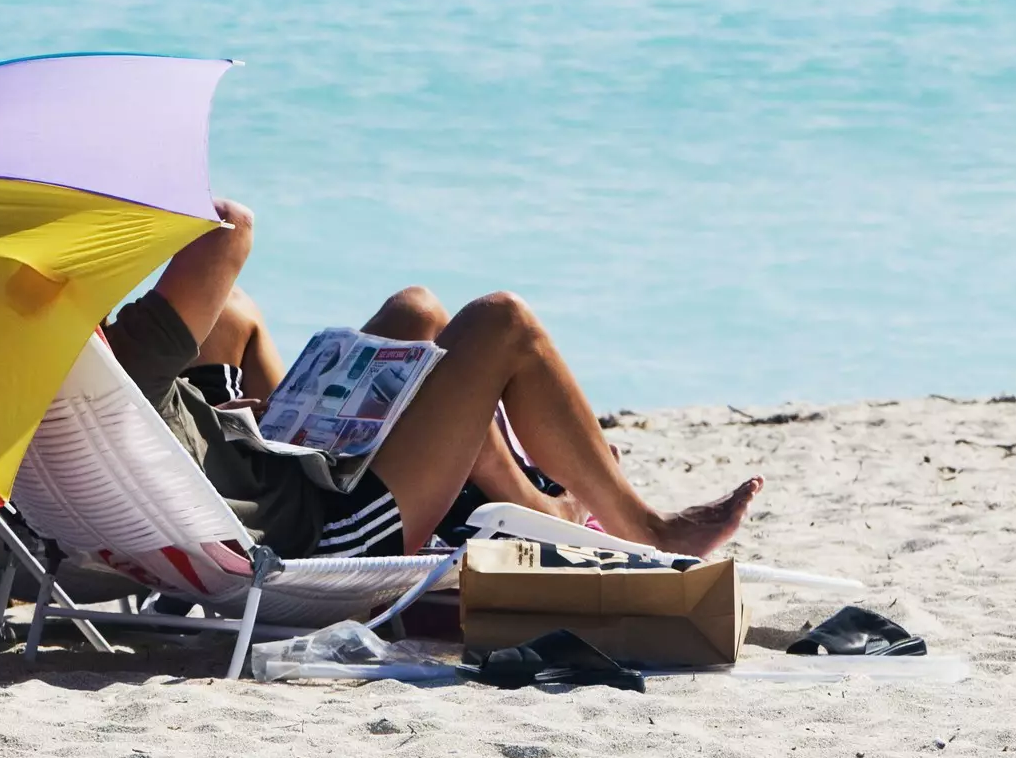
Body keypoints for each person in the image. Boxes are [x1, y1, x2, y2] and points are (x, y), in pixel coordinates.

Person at [101, 198, 762, 561]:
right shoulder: (130, 354)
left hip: (278, 477)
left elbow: (218, 329)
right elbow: (228, 226)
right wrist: (131, 200)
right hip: (329, 535)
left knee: (417, 314)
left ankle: (536, 501)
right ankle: (644, 529)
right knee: (501, 323)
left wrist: (227, 427)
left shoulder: (83, 375)